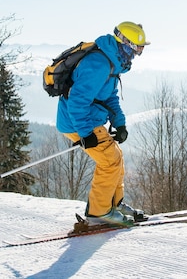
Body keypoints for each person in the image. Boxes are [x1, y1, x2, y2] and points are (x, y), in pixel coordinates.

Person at [56, 21, 149, 225]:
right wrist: (85, 132)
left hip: (88, 120)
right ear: (124, 43)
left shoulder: (112, 63)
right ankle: (99, 212)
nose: (136, 55)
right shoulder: (99, 64)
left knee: (116, 157)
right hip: (77, 122)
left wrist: (120, 123)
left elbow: (109, 97)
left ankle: (113, 204)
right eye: (136, 49)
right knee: (109, 161)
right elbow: (77, 100)